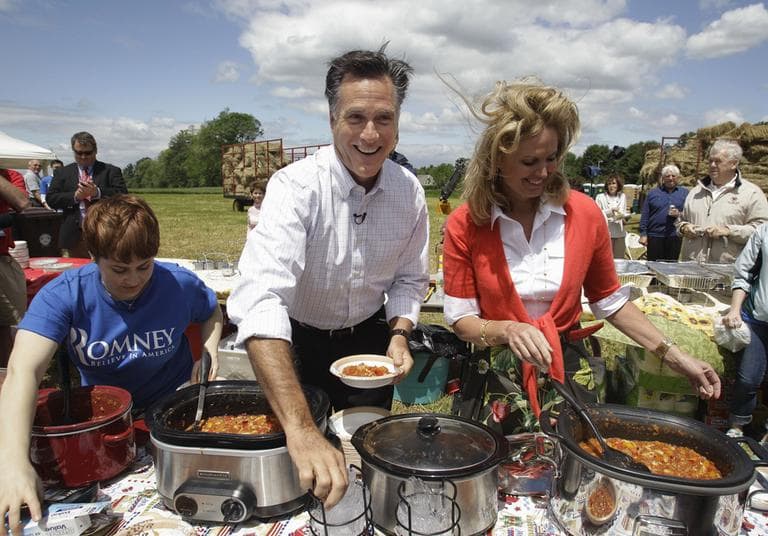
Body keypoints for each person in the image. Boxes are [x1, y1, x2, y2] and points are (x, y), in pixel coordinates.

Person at [441, 79, 721, 435]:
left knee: (571, 473)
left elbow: (609, 301)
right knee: (497, 474)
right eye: (529, 161)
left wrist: (676, 356)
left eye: (552, 158)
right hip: (497, 374)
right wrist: (509, 329)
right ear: (497, 159)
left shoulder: (585, 214)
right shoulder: (466, 223)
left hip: (568, 368)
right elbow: (462, 319)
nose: (543, 172)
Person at [227, 46, 429, 508]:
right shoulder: (295, 187)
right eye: (356, 117)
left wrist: (399, 334)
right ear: (333, 119)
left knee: (368, 457)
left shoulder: (409, 191)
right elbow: (261, 298)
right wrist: (299, 431)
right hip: (297, 341)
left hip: (370, 341)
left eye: (385, 118)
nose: (371, 134)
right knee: (304, 469)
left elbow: (410, 278)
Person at [0, 194, 223, 531]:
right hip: (105, 422)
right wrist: (13, 462)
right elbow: (23, 370)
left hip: (174, 410)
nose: (133, 280)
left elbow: (211, 311)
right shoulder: (65, 294)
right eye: (119, 269)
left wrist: (210, 351)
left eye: (144, 266)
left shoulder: (177, 282)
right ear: (93, 257)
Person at [677, 139, 768, 263]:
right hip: (691, 269)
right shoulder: (695, 192)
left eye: (718, 161)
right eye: (710, 161)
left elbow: (762, 231)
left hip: (728, 272)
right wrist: (684, 227)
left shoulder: (751, 193)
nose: (712, 165)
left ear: (733, 164)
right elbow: (680, 221)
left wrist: (729, 231)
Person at [47, 131, 127, 258]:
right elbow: (51, 199)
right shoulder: (62, 173)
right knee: (80, 271)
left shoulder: (110, 171)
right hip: (75, 234)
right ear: (73, 151)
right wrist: (75, 196)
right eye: (79, 153)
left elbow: (122, 195)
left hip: (105, 231)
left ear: (95, 151)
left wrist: (97, 192)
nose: (83, 157)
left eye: (87, 153)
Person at [722, 222, 768, 440]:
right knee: (749, 377)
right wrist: (735, 309)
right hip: (759, 319)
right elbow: (745, 272)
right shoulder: (764, 232)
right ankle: (738, 423)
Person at [0, 168, 30, 368]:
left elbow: (22, 203)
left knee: (9, 323)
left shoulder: (10, 176)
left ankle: (7, 375)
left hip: (2, 259)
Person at [639, 164, 688, 261]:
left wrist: (679, 214)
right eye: (667, 176)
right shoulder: (653, 193)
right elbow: (645, 215)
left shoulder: (684, 193)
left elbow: (689, 214)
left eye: (673, 176)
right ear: (663, 178)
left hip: (674, 235)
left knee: (671, 266)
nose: (670, 178)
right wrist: (643, 234)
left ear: (677, 178)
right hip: (655, 236)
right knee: (653, 266)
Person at [595, 174, 628, 258]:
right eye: (609, 184)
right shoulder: (600, 197)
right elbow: (597, 214)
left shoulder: (622, 196)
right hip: (606, 233)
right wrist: (610, 211)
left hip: (620, 233)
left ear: (618, 185)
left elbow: (622, 212)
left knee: (619, 259)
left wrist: (624, 218)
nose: (611, 186)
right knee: (605, 259)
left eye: (613, 183)